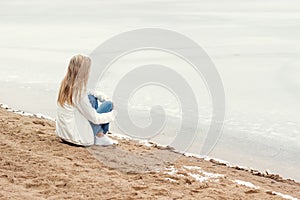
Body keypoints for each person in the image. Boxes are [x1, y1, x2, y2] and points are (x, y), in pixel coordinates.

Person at [56, 54, 117, 146]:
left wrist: (102, 96)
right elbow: (95, 118)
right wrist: (114, 114)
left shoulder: (66, 85)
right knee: (108, 105)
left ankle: (99, 134)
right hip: (77, 139)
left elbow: (88, 92)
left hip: (64, 135)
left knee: (92, 98)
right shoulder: (79, 94)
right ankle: (100, 135)